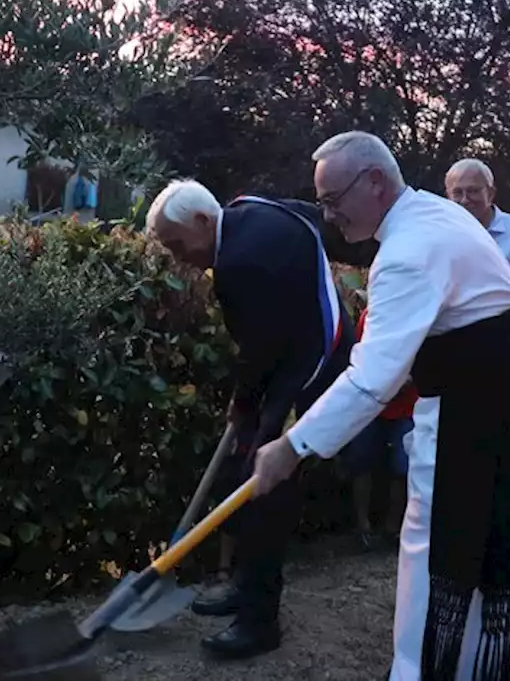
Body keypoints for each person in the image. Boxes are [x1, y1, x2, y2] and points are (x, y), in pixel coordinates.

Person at [252, 131, 510, 680]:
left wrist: (291, 447)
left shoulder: (406, 253)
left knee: (435, 542)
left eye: (332, 199)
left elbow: (373, 379)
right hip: (503, 390)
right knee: (479, 540)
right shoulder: (433, 215)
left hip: (483, 407)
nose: (329, 216)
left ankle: (427, 670)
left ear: (374, 183)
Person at [145, 180, 355, 659]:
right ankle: (244, 585)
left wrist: (245, 406)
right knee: (244, 471)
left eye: (178, 244)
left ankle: (259, 622)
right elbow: (308, 215)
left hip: (311, 366)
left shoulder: (240, 264)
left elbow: (260, 352)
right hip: (293, 353)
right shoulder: (248, 207)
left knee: (265, 487)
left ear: (202, 221)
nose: (179, 258)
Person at [339, 302, 415, 551]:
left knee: (403, 467)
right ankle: (363, 527)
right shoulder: (369, 317)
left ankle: (393, 528)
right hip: (371, 403)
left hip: (407, 404)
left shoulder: (420, 314)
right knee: (360, 461)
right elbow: (360, 358)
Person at [444, 159, 510, 329]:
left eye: (473, 191)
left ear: (490, 193)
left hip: (505, 338)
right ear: (448, 196)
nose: (464, 200)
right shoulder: (440, 236)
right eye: (457, 192)